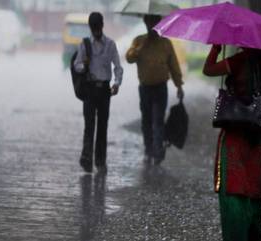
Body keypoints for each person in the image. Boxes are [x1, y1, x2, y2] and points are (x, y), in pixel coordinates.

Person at [203, 45, 261, 241]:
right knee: (252, 188)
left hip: (235, 134)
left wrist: (215, 48)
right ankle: (254, 233)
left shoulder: (238, 61)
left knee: (234, 187)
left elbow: (208, 69)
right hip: (255, 137)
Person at [126, 14, 184, 165]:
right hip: (145, 88)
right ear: (145, 23)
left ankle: (157, 151)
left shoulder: (165, 43)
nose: (152, 26)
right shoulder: (138, 40)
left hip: (160, 88)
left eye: (155, 23)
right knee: (146, 121)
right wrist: (141, 47)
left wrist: (179, 85)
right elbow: (129, 58)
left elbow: (174, 65)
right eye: (149, 22)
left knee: (158, 120)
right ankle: (148, 149)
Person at [74, 12, 123, 173]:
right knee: (89, 126)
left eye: (98, 27)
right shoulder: (85, 44)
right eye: (93, 27)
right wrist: (85, 65)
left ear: (102, 25)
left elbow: (117, 66)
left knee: (103, 126)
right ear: (90, 27)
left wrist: (116, 83)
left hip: (104, 91)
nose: (96, 30)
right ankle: (86, 159)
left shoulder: (110, 44)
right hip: (89, 89)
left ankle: (100, 161)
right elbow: (77, 65)